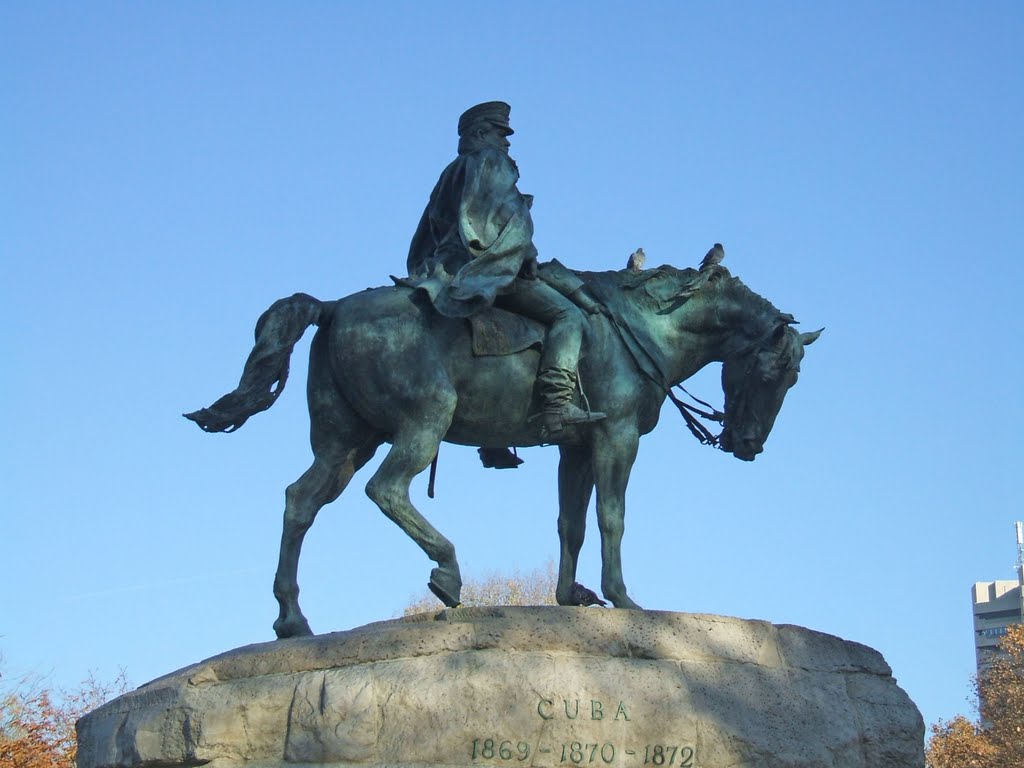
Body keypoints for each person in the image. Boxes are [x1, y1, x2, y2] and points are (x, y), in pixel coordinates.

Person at [407, 101, 605, 436]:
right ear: (481, 132)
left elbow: (429, 229)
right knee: (569, 317)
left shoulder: (451, 171)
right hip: (485, 267)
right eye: (501, 133)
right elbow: (501, 219)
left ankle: (493, 438)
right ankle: (555, 404)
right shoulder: (492, 161)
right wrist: (524, 253)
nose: (507, 142)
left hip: (447, 267)